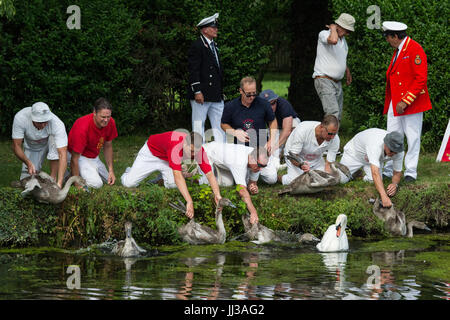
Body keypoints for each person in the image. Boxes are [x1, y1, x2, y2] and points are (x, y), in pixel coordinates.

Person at [121, 131, 222, 219]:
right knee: (129, 183)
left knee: (172, 185)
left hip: (167, 161)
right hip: (151, 153)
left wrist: (217, 194)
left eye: (195, 152)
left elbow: (209, 174)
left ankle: (159, 179)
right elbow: (178, 176)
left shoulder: (199, 151)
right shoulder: (176, 145)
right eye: (191, 151)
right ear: (185, 144)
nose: (193, 155)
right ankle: (129, 171)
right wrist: (189, 201)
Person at [381, 21, 432, 183]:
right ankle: (389, 169)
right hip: (395, 101)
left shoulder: (414, 49)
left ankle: (410, 172)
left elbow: (421, 79)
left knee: (412, 137)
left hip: (411, 102)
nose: (387, 40)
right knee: (392, 136)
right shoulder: (400, 49)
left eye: (388, 37)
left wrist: (405, 101)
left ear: (395, 36)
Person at [221, 76, 278, 194]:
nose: (252, 97)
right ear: (240, 91)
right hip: (240, 150)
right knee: (231, 182)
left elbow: (273, 121)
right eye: (248, 94)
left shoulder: (263, 104)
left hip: (260, 148)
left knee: (272, 179)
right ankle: (251, 180)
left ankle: (255, 176)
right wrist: (234, 132)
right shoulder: (230, 106)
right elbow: (223, 124)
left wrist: (271, 140)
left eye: (254, 94)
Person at [200, 141, 269, 224]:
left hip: (223, 162)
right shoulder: (239, 161)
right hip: (206, 152)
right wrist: (253, 212)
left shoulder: (256, 158)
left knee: (228, 183)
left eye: (263, 166)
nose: (261, 169)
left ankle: (213, 174)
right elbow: (241, 190)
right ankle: (192, 173)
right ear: (251, 158)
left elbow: (252, 183)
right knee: (204, 185)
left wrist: (253, 187)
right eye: (260, 165)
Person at [340, 129, 404, 208]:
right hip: (355, 154)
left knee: (372, 181)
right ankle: (352, 173)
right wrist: (384, 196)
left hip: (373, 160)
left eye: (396, 152)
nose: (393, 154)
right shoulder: (375, 144)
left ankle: (358, 174)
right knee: (341, 180)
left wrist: (395, 184)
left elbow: (397, 172)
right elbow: (375, 173)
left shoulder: (399, 152)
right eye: (391, 151)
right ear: (385, 144)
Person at [188, 12, 225, 143]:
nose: (216, 29)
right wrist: (197, 91)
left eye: (216, 27)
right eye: (213, 27)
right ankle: (200, 158)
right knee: (198, 126)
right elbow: (193, 70)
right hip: (202, 94)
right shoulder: (197, 45)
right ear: (204, 29)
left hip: (215, 94)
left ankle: (222, 155)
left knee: (220, 125)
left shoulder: (214, 45)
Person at [12, 102, 68, 188]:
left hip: (51, 143)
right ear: (32, 118)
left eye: (45, 122)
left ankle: (54, 178)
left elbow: (62, 153)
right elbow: (16, 145)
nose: (43, 125)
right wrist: (28, 163)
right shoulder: (20, 118)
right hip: (32, 147)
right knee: (27, 183)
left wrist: (59, 184)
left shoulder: (57, 124)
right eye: (40, 122)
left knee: (54, 140)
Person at [312, 13, 355, 120]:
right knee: (332, 113)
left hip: (337, 82)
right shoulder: (324, 34)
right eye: (345, 30)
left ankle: (333, 136)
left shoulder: (343, 41)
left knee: (338, 115)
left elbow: (340, 58)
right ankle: (327, 136)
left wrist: (347, 71)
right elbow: (333, 41)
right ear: (338, 25)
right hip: (324, 79)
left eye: (348, 31)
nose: (346, 33)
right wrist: (332, 28)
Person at [67, 97, 117, 189]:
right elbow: (75, 159)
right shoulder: (82, 127)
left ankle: (87, 172)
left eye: (108, 117)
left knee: (109, 180)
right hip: (80, 156)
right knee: (97, 184)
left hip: (94, 156)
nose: (106, 120)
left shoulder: (111, 122)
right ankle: (72, 175)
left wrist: (111, 170)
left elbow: (108, 146)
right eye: (103, 117)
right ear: (94, 112)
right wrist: (77, 184)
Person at [280, 115, 340, 185]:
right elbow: (293, 156)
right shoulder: (303, 130)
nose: (332, 137)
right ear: (321, 127)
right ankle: (278, 178)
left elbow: (328, 164)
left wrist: (327, 176)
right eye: (330, 134)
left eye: (334, 134)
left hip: (315, 158)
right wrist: (301, 165)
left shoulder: (335, 139)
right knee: (294, 182)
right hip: (295, 157)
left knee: (323, 180)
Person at [259, 89, 301, 169]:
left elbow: (287, 130)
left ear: (276, 100)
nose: (271, 107)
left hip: (289, 125)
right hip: (274, 128)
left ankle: (295, 155)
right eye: (267, 105)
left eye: (273, 103)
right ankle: (276, 162)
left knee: (295, 127)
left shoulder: (283, 104)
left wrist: (275, 147)